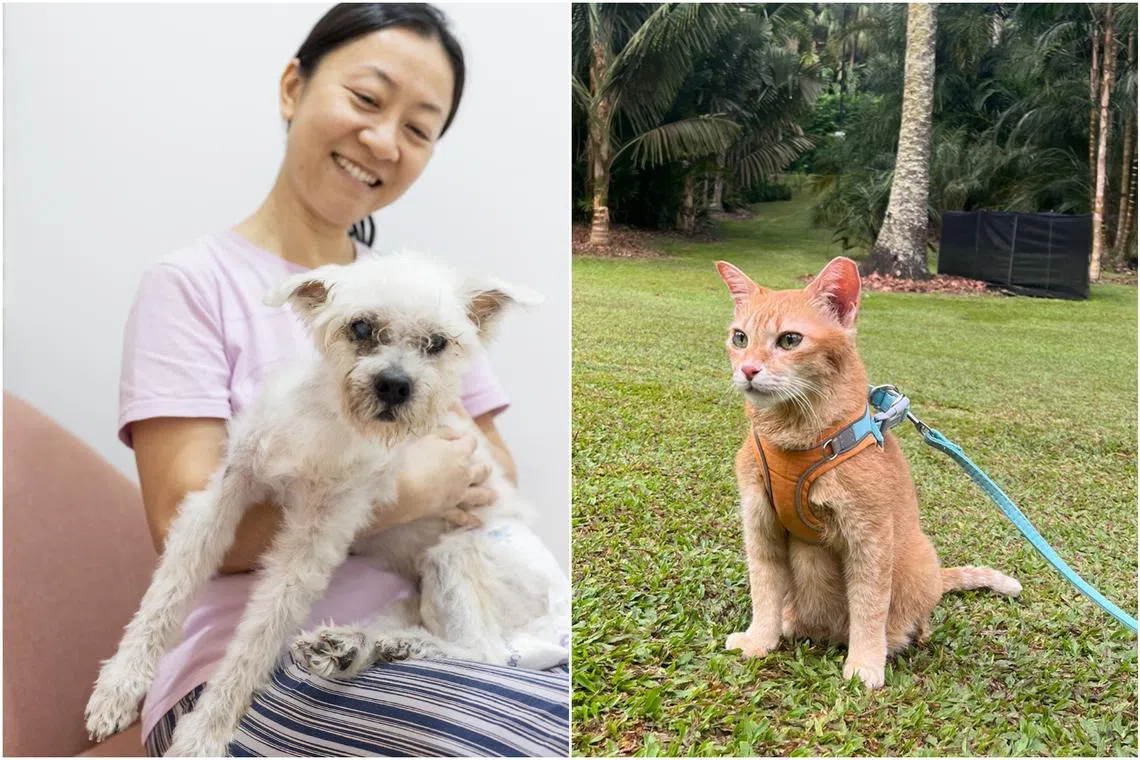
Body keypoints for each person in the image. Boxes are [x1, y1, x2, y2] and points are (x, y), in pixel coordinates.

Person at [116, 4, 568, 756]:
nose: (384, 140)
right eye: (366, 99)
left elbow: (494, 467)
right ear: (294, 86)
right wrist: (407, 489)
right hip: (254, 664)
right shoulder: (192, 285)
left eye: (419, 129)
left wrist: (454, 477)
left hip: (436, 627)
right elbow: (182, 522)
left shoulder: (428, 297)